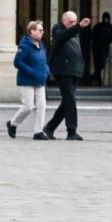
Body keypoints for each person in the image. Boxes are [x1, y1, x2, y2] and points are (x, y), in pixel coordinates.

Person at [44, 11, 91, 141]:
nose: (73, 24)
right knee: (70, 100)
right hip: (62, 70)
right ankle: (72, 130)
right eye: (70, 21)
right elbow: (63, 37)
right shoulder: (58, 29)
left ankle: (49, 128)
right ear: (63, 20)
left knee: (67, 102)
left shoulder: (75, 31)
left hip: (74, 70)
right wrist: (79, 26)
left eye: (75, 21)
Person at [7, 20, 51, 141]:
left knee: (42, 106)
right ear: (32, 31)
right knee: (28, 106)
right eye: (40, 30)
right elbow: (17, 62)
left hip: (40, 79)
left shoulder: (41, 45)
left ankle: (38, 131)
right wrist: (31, 71)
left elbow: (43, 60)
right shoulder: (25, 45)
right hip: (26, 80)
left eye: (42, 30)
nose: (42, 32)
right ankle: (13, 124)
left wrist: (47, 70)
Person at [91, 12, 112, 86]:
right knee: (97, 65)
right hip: (97, 49)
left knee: (102, 65)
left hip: (105, 49)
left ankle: (95, 77)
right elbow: (93, 36)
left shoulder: (111, 28)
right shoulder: (98, 27)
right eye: (105, 18)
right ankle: (98, 80)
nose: (106, 20)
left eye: (107, 18)